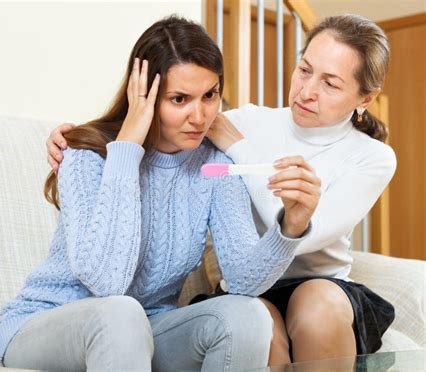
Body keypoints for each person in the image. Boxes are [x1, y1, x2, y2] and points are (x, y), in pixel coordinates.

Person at [47, 13, 396, 367]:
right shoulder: (244, 121)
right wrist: (79, 140)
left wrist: (237, 146)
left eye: (331, 84)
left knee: (316, 304)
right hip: (252, 284)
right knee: (253, 320)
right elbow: (163, 116)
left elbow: (305, 236)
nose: (306, 92)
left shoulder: (373, 157)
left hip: (319, 283)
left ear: (365, 99)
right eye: (304, 70)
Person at [0, 16, 319, 371]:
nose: (199, 116)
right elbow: (108, 283)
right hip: (47, 324)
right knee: (121, 313)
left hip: (147, 327)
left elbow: (243, 281)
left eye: (209, 95)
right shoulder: (86, 155)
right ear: (143, 98)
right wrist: (127, 149)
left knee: (248, 316)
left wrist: (291, 225)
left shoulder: (213, 166)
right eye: (179, 99)